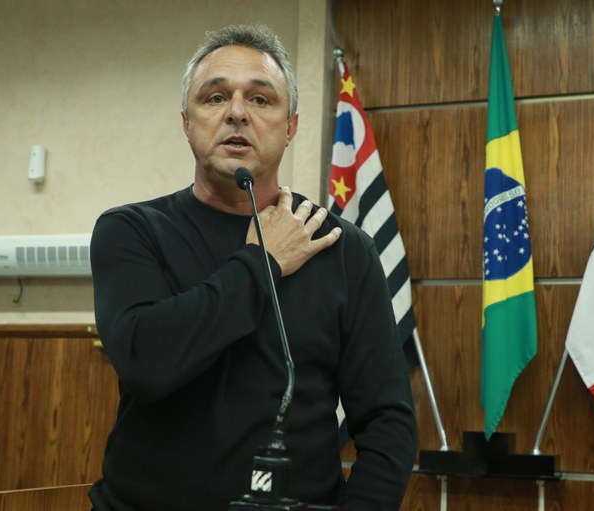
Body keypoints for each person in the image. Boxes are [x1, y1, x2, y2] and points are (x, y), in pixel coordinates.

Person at [88, 24, 417, 511]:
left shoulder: (342, 248)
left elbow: (388, 423)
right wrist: (262, 261)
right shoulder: (131, 231)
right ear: (186, 122)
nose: (237, 112)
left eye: (260, 99)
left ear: (291, 127)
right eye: (215, 97)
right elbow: (147, 363)